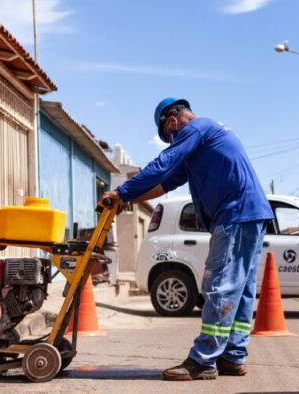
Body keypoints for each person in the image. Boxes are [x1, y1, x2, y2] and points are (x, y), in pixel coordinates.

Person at [101, 98, 273, 381]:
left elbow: (162, 164)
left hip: (235, 214)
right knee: (240, 289)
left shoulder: (195, 128)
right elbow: (164, 183)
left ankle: (203, 360)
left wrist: (121, 192)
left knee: (219, 285)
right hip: (251, 214)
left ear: (172, 121)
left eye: (169, 136)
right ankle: (233, 356)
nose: (172, 141)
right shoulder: (206, 139)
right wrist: (129, 199)